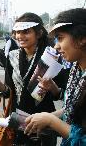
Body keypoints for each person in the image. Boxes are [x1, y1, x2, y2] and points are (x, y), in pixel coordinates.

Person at [0, 12, 68, 145]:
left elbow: (62, 94)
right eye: (17, 32)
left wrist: (52, 88)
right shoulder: (12, 56)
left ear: (39, 33)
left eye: (26, 32)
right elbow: (9, 92)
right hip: (17, 120)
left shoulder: (51, 57)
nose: (20, 36)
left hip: (43, 121)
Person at [24, 8, 86, 146]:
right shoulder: (76, 70)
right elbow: (72, 108)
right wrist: (47, 116)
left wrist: (50, 120)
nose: (57, 46)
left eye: (61, 38)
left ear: (82, 38)